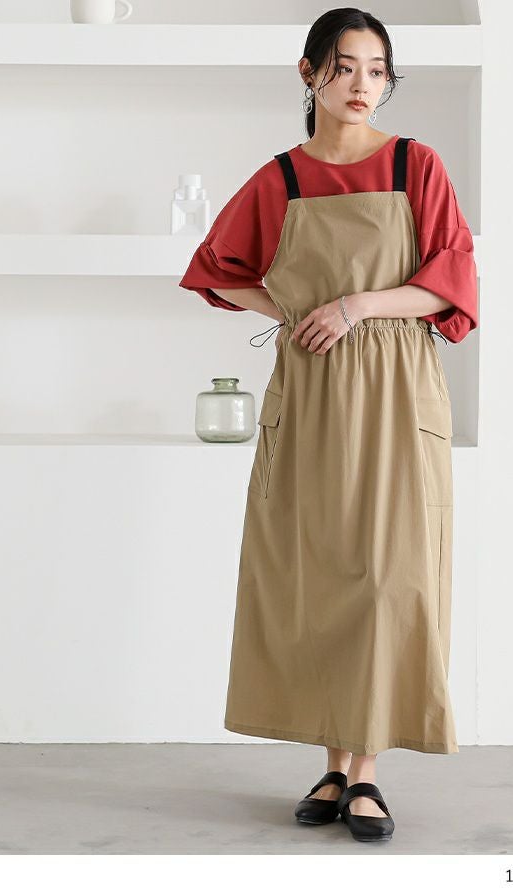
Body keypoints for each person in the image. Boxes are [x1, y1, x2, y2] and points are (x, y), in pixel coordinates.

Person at [179, 7, 478, 843]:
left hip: (396, 386)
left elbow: (450, 281)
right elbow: (215, 271)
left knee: (386, 575)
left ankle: (368, 770)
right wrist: (291, 307)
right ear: (309, 73)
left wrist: (355, 305)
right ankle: (334, 765)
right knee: (318, 573)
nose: (361, 85)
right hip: (311, 390)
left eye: (377, 70)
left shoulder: (416, 164)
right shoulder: (282, 178)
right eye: (344, 67)